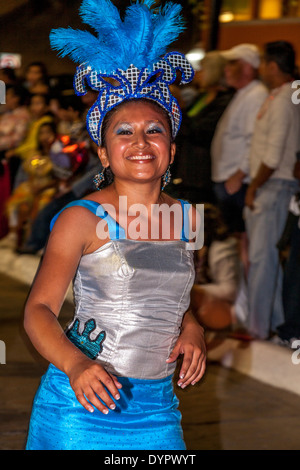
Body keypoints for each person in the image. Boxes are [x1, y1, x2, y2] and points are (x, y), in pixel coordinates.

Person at [24, 0, 206, 451]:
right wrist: (75, 365)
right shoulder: (81, 219)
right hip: (82, 407)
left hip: (159, 409)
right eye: (124, 132)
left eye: (155, 130)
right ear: (104, 154)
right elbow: (38, 311)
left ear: (172, 148)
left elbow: (169, 296)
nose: (141, 142)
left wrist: (193, 327)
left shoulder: (187, 217)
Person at [244, 41, 300, 340]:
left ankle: (256, 329)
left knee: (262, 261)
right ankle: (275, 324)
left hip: (273, 185)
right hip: (275, 185)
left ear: (274, 66)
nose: (260, 68)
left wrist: (254, 186)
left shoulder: (285, 97)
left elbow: (275, 153)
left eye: (263, 62)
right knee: (269, 262)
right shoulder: (286, 95)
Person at [210, 44, 268, 235]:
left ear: (248, 68)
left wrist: (239, 174)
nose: (226, 69)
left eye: (232, 63)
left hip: (237, 182)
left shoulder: (256, 95)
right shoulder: (244, 94)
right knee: (239, 237)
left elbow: (255, 140)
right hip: (230, 179)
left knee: (245, 236)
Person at [175, 51, 234, 204]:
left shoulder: (224, 101)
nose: (197, 73)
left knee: (197, 222)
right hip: (186, 169)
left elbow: (200, 132)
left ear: (214, 72)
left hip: (202, 173)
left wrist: (179, 106)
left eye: (202, 70)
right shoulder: (201, 97)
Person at [191, 203, 241, 331]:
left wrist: (197, 291)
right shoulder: (191, 248)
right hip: (203, 303)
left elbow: (230, 290)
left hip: (224, 306)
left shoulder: (220, 249)